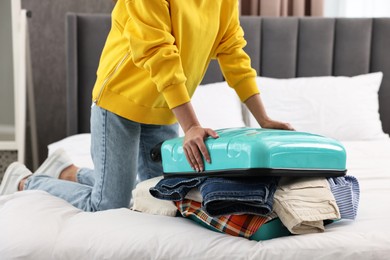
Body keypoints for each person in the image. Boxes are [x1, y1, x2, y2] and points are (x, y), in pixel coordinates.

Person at [0, 0, 293, 211]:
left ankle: (66, 168)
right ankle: (26, 180)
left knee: (157, 197)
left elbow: (233, 53)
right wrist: (190, 125)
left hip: (165, 109)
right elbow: (159, 54)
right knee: (109, 204)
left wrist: (263, 119)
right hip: (119, 103)